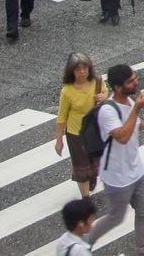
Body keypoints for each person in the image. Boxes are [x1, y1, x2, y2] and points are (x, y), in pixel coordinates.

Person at [87, 64, 144, 255]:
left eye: (135, 77)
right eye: (130, 81)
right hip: (117, 176)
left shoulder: (129, 102)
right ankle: (86, 241)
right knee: (116, 217)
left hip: (137, 170)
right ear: (117, 87)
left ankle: (143, 252)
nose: (136, 82)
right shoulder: (107, 111)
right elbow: (122, 136)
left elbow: (131, 127)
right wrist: (137, 111)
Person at [55, 52, 107, 197]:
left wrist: (104, 97)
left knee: (95, 162)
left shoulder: (97, 81)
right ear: (71, 71)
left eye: (85, 68)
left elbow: (105, 92)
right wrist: (59, 140)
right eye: (78, 69)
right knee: (81, 166)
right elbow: (61, 118)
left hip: (95, 131)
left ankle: (92, 177)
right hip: (76, 133)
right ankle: (85, 197)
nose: (82, 72)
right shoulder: (67, 91)